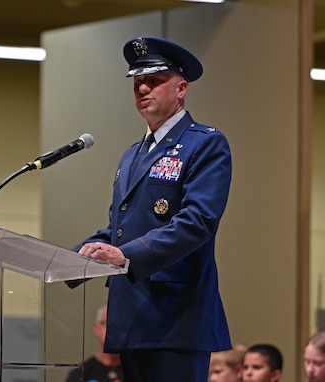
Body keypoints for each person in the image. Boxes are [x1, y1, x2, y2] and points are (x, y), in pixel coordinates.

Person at [71, 36, 233, 382]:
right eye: (137, 82)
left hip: (176, 315)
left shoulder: (205, 144)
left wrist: (124, 255)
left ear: (181, 88)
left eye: (154, 80)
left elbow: (197, 222)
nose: (143, 88)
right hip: (132, 317)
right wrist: (72, 259)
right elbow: (120, 229)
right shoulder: (132, 154)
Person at [65, 304, 123, 382]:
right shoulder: (81, 374)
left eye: (120, 325)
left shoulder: (138, 372)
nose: (115, 330)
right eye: (109, 323)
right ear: (97, 328)